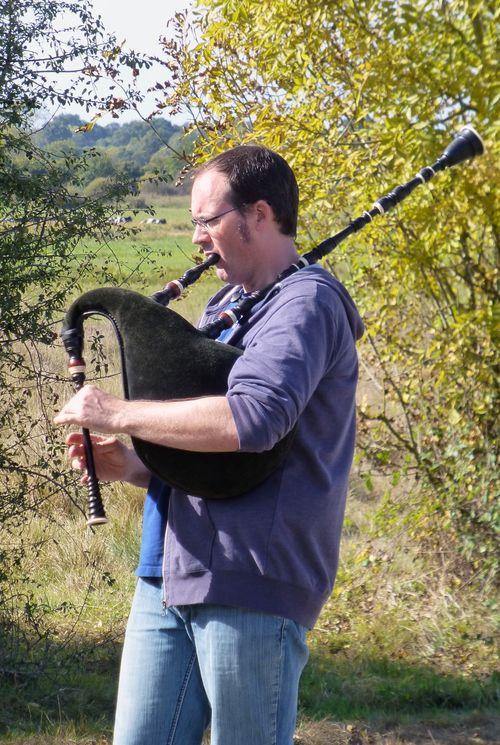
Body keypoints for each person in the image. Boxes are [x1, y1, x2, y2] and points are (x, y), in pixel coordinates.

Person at [55, 145, 364, 745]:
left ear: (260, 215)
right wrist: (134, 462)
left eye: (207, 220)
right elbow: (205, 445)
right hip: (169, 570)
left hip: (250, 576)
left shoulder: (307, 304)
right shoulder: (225, 305)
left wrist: (117, 413)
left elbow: (253, 419)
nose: (197, 237)